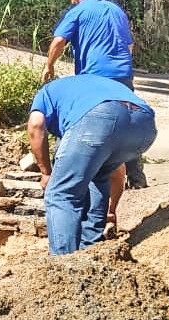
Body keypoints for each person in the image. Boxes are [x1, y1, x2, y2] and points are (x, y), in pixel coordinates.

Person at [40, 0, 148, 226]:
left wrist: (49, 66)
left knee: (88, 126)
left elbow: (58, 42)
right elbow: (130, 47)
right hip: (123, 77)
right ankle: (137, 179)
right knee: (125, 125)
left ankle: (83, 182)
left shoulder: (79, 11)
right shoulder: (117, 10)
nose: (72, 2)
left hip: (95, 79)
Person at [27, 74, 157, 256]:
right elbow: (118, 170)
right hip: (144, 126)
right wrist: (111, 209)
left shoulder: (46, 92)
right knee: (100, 176)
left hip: (99, 118)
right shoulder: (87, 88)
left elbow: (35, 125)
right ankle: (90, 253)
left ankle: (62, 266)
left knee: (60, 194)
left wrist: (46, 172)